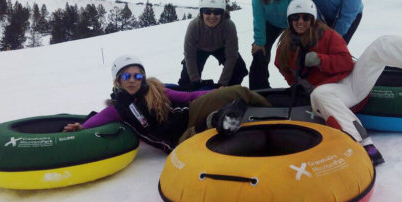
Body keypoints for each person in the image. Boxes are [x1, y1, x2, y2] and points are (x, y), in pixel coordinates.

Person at [275, 0, 402, 165]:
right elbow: (286, 72)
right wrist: (301, 86)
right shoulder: (284, 49)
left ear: (313, 19)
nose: (300, 21)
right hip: (330, 92)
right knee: (320, 94)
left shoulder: (327, 35)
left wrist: (321, 60)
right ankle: (363, 145)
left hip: (351, 82)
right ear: (289, 21)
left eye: (305, 17)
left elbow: (346, 63)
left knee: (380, 45)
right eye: (295, 18)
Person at [64, 55, 270, 153]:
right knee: (205, 134)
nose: (133, 79)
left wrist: (215, 93)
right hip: (177, 140)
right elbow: (97, 120)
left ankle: (272, 111)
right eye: (127, 75)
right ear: (118, 80)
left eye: (137, 75)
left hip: (188, 115)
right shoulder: (118, 109)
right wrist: (81, 127)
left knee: (237, 91)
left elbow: (187, 98)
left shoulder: (155, 89)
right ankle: (217, 119)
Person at [249, 0, 305, 90]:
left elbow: (300, 17)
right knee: (259, 53)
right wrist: (259, 43)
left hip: (292, 23)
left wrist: (295, 37)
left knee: (295, 53)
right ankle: (258, 89)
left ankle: (301, 87)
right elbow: (258, 15)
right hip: (271, 22)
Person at [178, 0, 248, 90]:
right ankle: (188, 96)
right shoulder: (194, 26)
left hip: (221, 48)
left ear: (223, 13)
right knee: (186, 79)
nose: (212, 16)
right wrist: (195, 80)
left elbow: (232, 56)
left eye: (217, 12)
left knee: (239, 69)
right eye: (207, 11)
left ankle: (229, 92)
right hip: (199, 49)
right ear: (201, 12)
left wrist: (222, 84)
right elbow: (189, 55)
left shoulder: (229, 26)